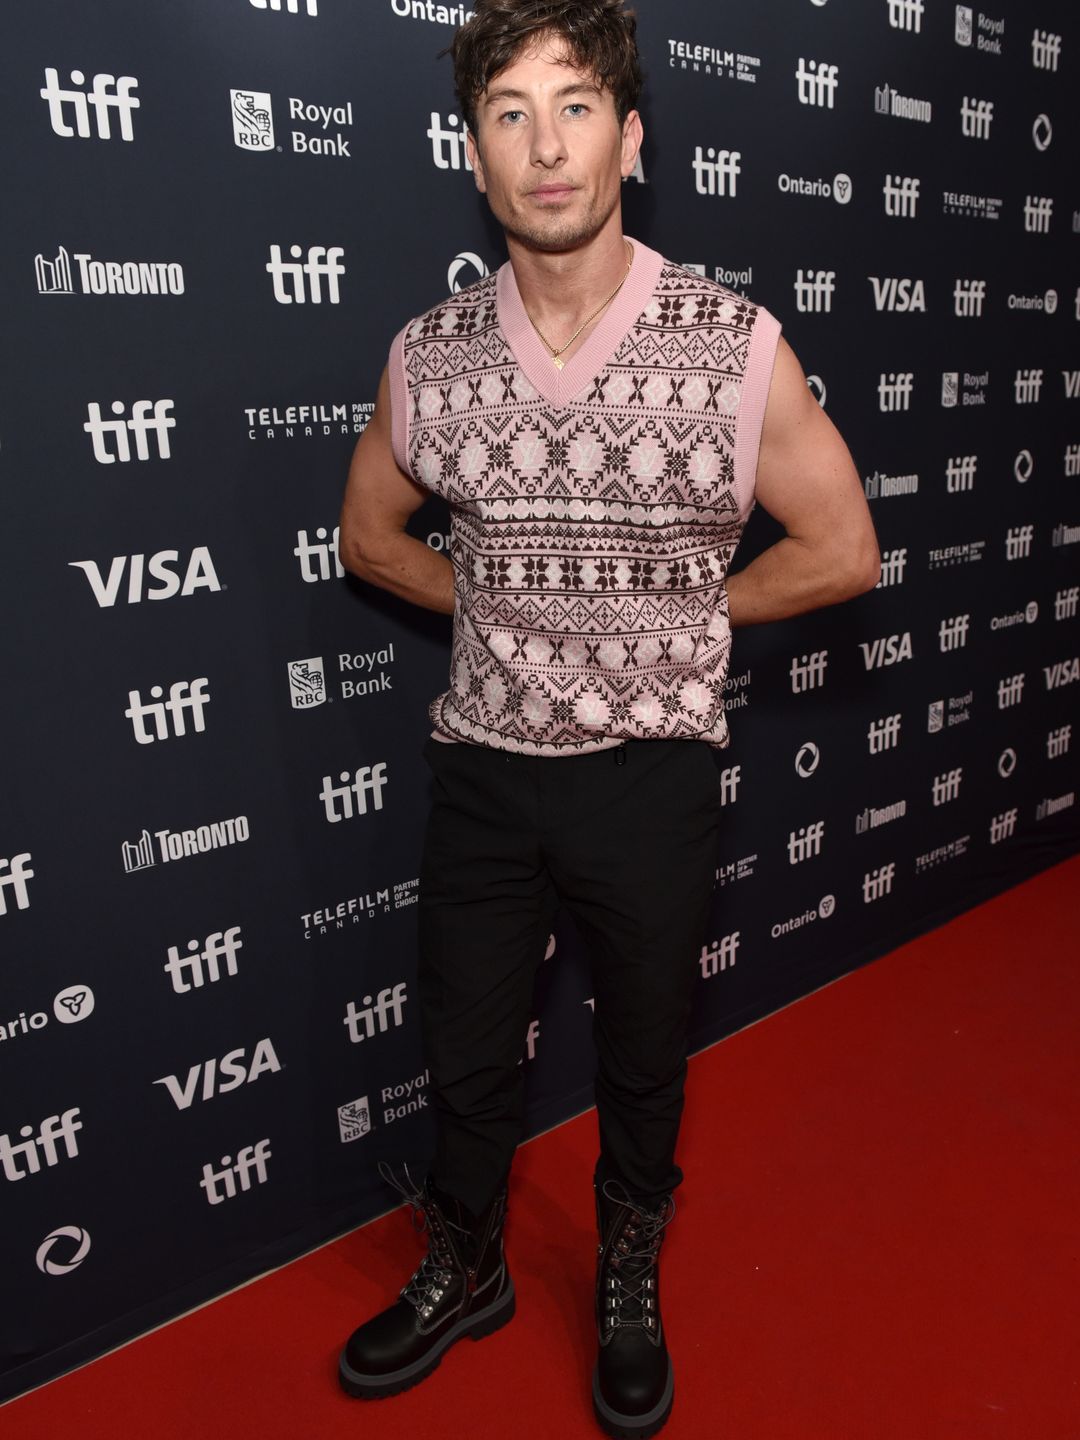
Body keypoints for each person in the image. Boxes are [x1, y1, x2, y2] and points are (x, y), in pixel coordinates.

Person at [335, 2, 879, 1434]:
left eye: (574, 105)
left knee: (643, 1052)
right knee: (465, 1052)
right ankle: (469, 1260)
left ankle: (627, 1267)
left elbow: (842, 550)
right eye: (508, 113)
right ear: (475, 157)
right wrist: (504, 613)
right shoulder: (432, 352)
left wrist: (679, 619)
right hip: (484, 773)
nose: (545, 144)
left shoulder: (731, 342)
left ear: (631, 136)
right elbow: (371, 537)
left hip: (652, 773)